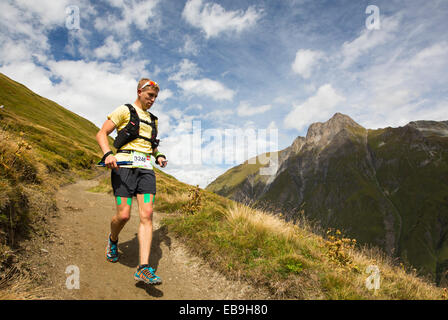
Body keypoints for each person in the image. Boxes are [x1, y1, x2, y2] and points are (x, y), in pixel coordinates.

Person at [96, 78, 167, 285]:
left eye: (155, 97)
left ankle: (143, 268)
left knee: (147, 214)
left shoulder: (153, 120)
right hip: (123, 168)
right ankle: (113, 239)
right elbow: (102, 133)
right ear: (139, 92)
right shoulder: (124, 110)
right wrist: (108, 154)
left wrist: (159, 155)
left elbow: (150, 145)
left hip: (146, 170)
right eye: (149, 95)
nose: (152, 100)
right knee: (124, 215)